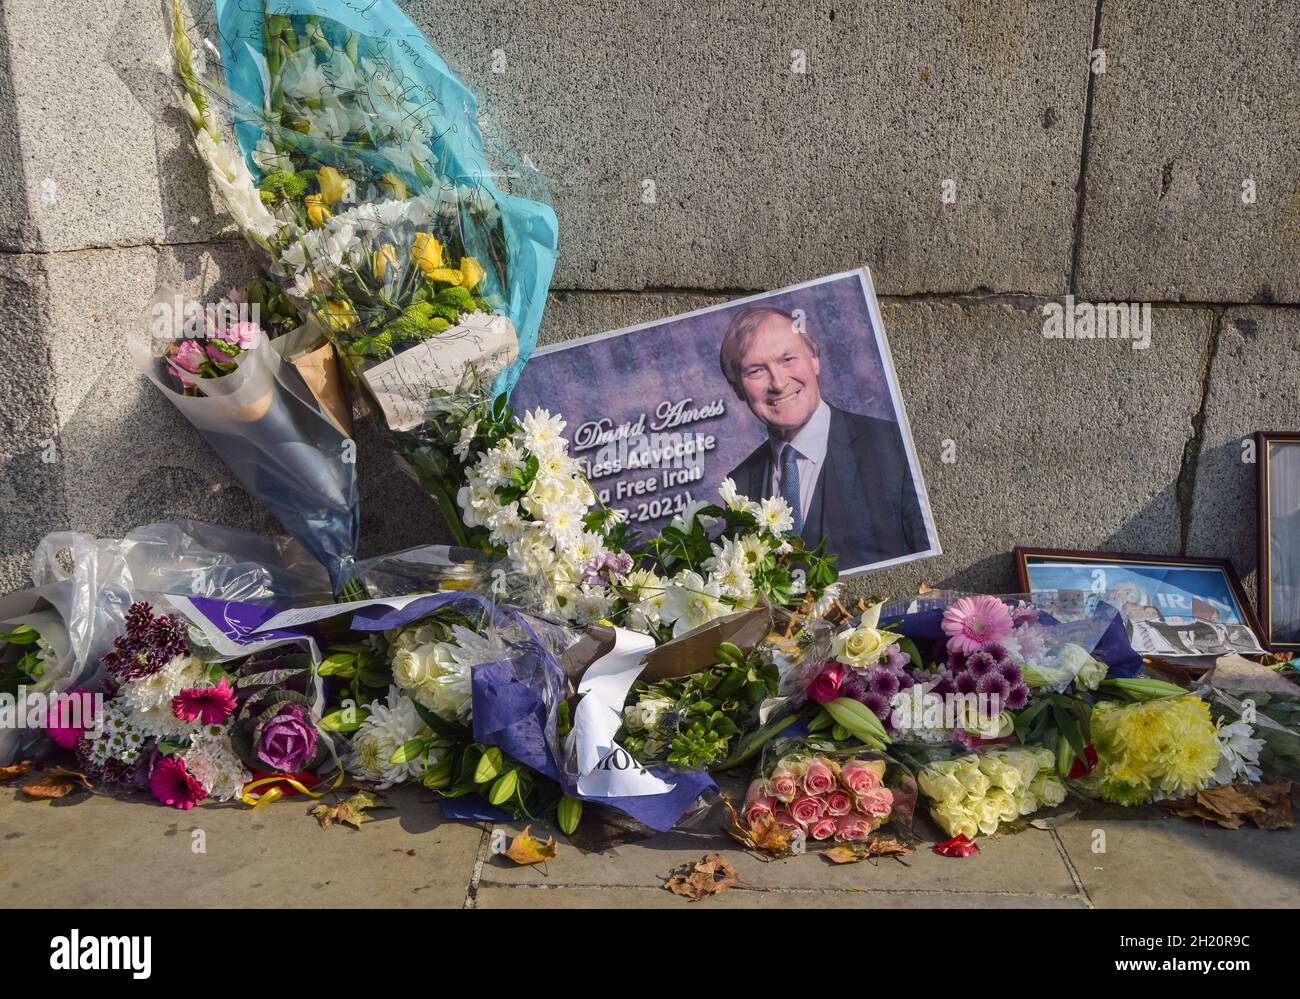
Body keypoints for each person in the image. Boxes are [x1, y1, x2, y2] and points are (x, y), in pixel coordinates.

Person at [719, 305, 928, 569]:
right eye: (756, 371)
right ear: (737, 388)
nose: (779, 383)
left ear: (815, 360)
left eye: (787, 359)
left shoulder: (894, 446)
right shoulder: (738, 484)